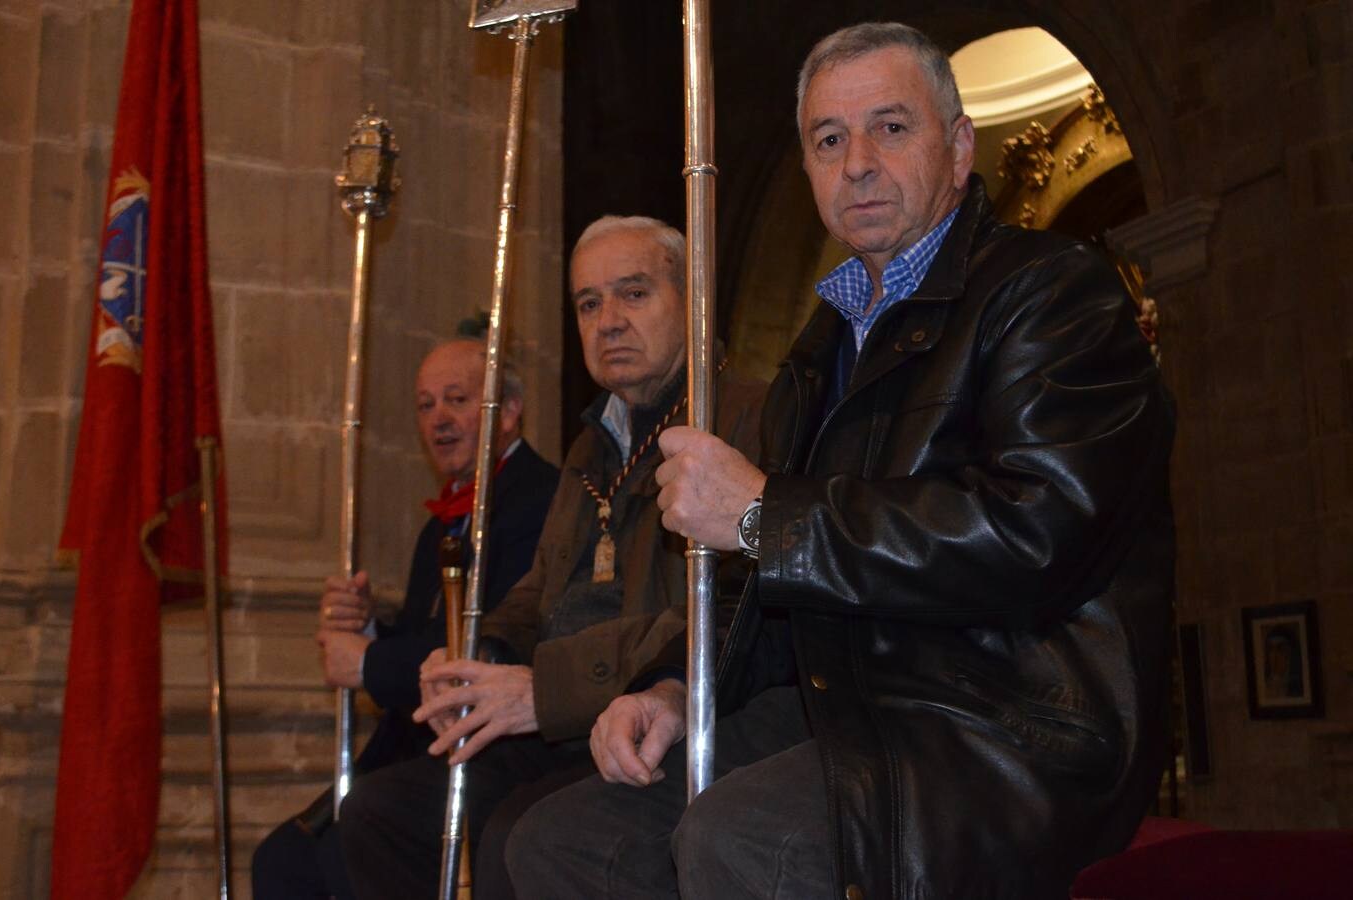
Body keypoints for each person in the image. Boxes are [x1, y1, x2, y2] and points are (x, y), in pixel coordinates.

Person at [506, 22, 1176, 900]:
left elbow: (1039, 537)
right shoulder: (818, 352)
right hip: (846, 702)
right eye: (828, 139)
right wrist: (674, 691)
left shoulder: (1052, 295)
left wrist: (761, 514)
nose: (856, 160)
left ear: (960, 145)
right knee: (562, 840)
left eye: (891, 127)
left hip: (1010, 717)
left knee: (742, 840)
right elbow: (764, 596)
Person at [337, 216, 764, 899]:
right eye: (589, 304)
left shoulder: (742, 420)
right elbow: (541, 589)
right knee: (376, 813)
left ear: (691, 300)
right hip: (561, 718)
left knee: (517, 835)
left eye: (633, 294)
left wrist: (547, 688)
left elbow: (717, 616)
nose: (608, 321)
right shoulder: (591, 444)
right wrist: (479, 657)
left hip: (662, 713)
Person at [251, 339, 559, 899]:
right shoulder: (442, 523)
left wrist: (368, 663)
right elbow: (429, 640)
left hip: (503, 751)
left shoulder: (538, 501)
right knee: (283, 859)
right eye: (425, 405)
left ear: (509, 410)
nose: (438, 419)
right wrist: (370, 631)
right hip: (422, 749)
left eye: (457, 400)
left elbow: (489, 643)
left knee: (342, 848)